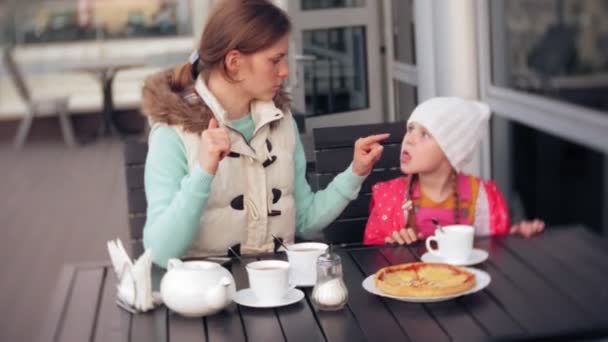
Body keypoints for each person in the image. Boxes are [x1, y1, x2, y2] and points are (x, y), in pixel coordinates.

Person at [140, 0, 388, 267]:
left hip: (281, 292)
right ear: (234, 62)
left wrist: (355, 173)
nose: (285, 71)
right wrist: (203, 171)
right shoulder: (173, 133)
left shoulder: (282, 122)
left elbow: (304, 219)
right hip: (210, 296)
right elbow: (160, 252)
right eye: (276, 60)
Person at [363, 97, 544, 245]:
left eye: (425, 134)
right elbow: (372, 258)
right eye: (410, 129)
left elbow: (497, 250)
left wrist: (517, 235)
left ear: (451, 150)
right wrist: (391, 248)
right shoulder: (388, 198)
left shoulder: (483, 197)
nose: (408, 140)